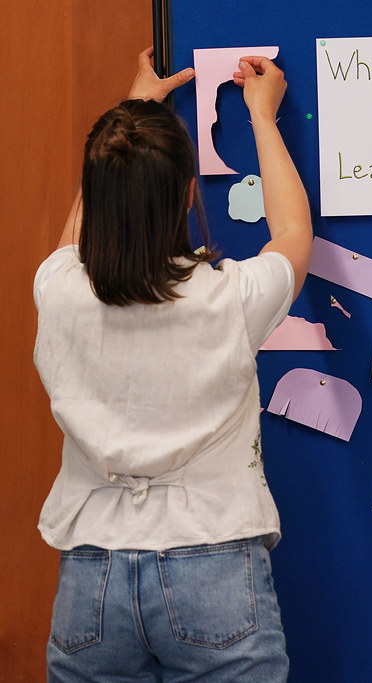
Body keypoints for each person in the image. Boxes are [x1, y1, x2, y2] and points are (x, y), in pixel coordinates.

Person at [33, 47, 311, 680]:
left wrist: (135, 108)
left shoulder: (57, 288)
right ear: (191, 194)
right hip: (211, 562)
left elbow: (78, 238)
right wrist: (263, 118)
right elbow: (294, 237)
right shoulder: (229, 300)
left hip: (92, 575)